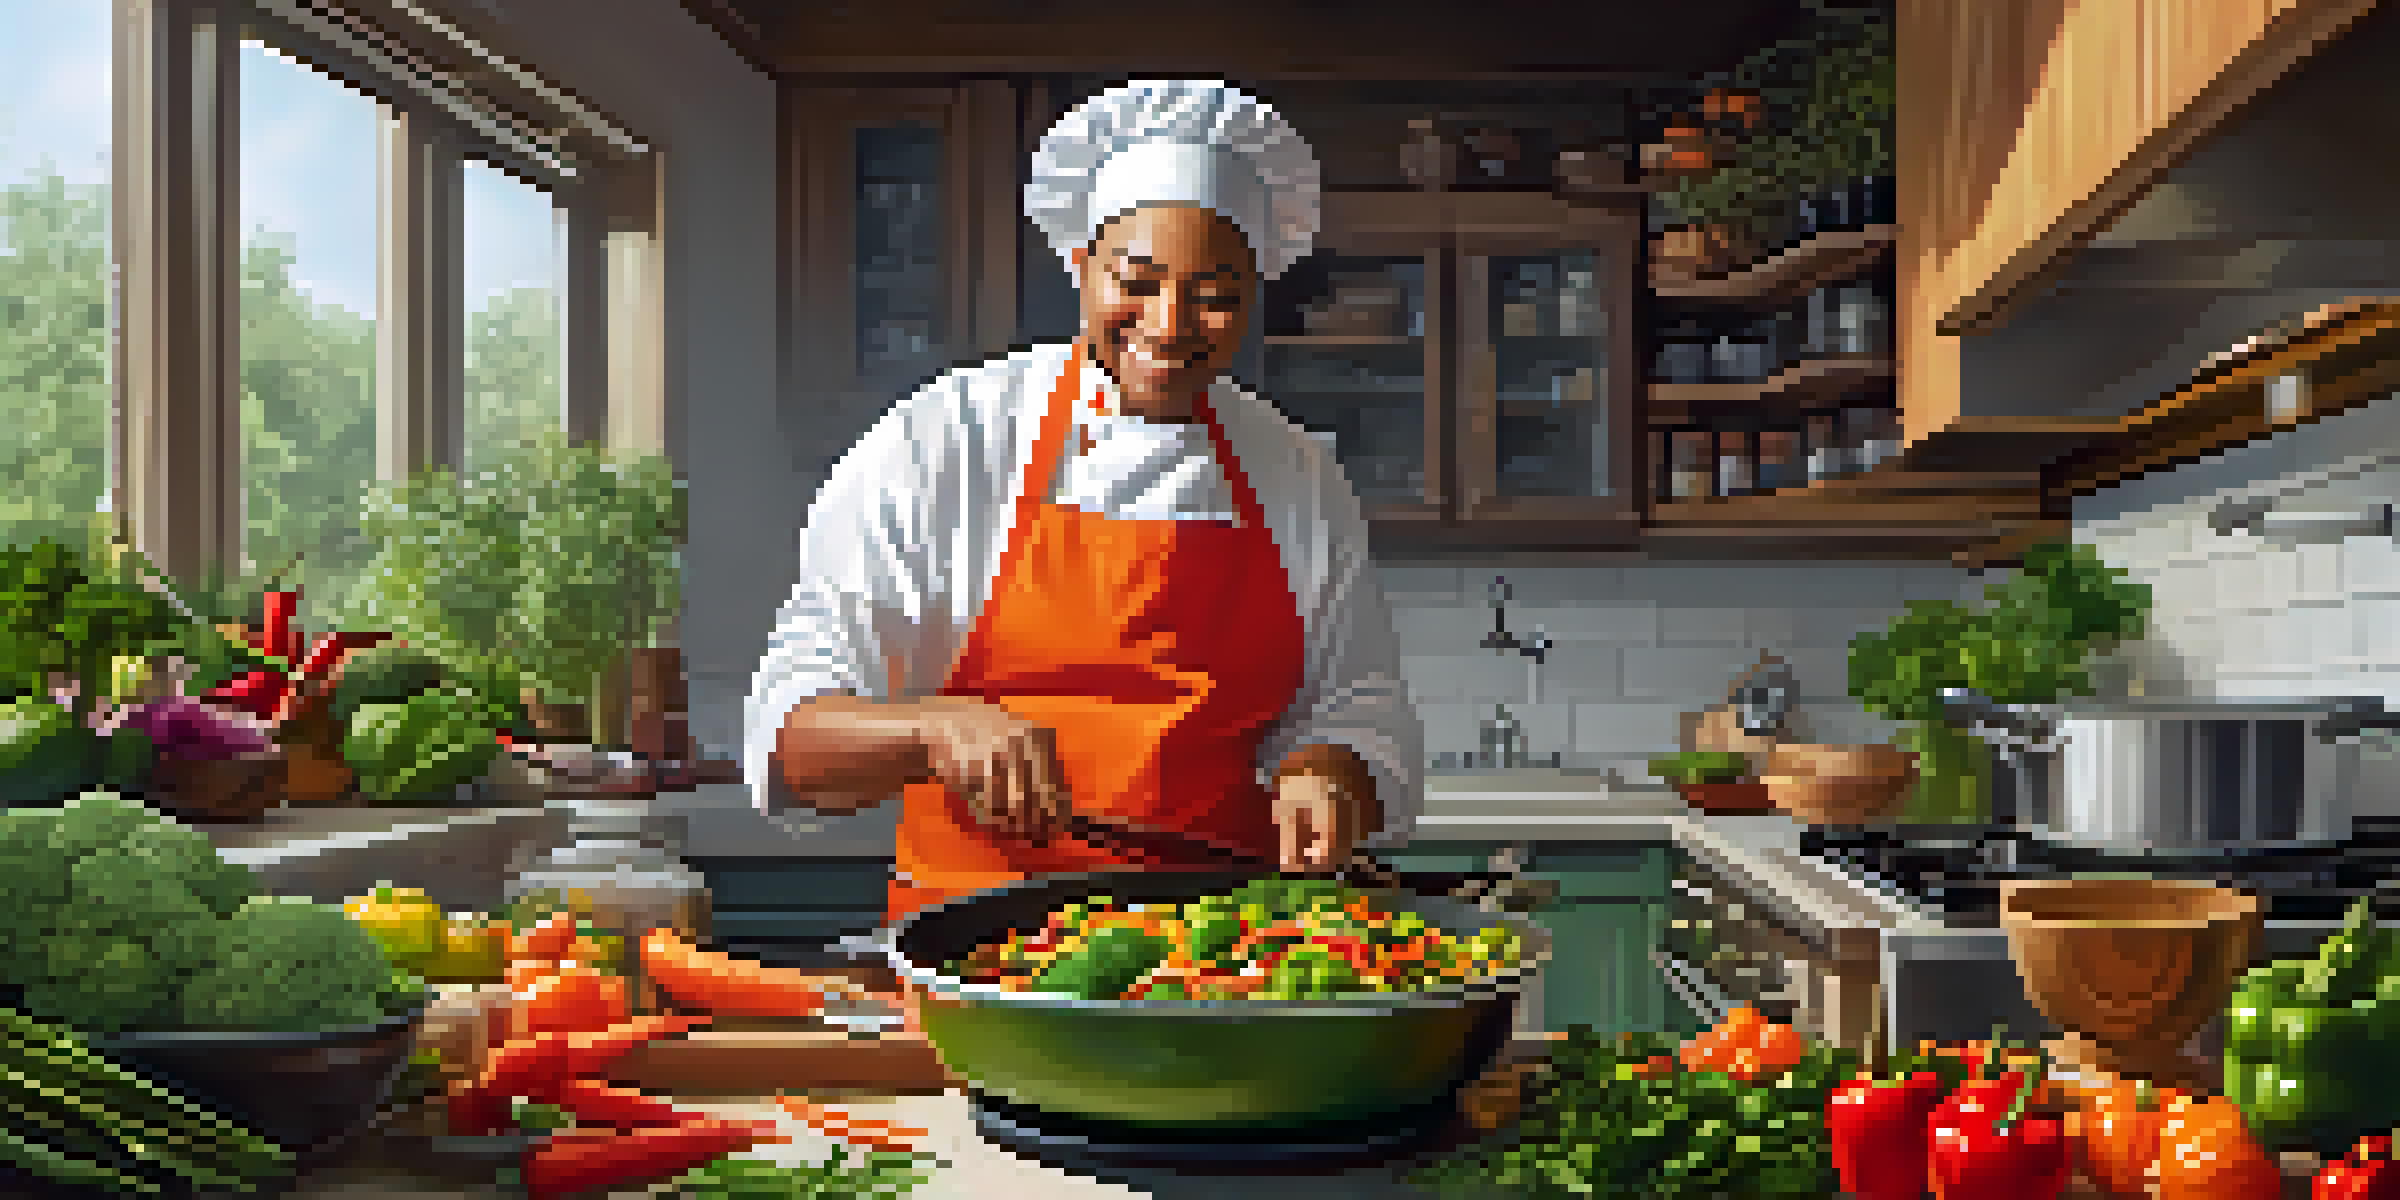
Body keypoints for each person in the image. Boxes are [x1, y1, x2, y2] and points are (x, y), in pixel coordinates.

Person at [744, 79, 1423, 926]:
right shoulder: (949, 439)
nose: (1169, 324)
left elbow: (1359, 703)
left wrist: (1328, 772)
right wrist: (935, 729)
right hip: (979, 950)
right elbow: (793, 743)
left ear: (1255, 292)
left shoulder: (1297, 473)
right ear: (1080, 263)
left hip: (1225, 950)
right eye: (1136, 281)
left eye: (1215, 294)